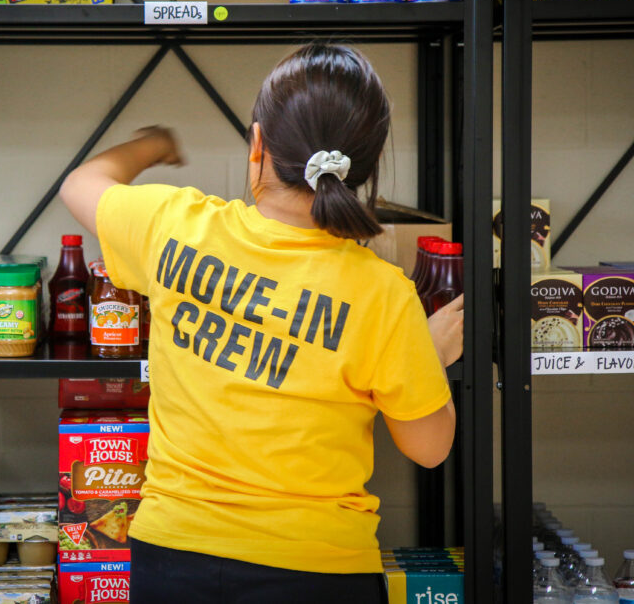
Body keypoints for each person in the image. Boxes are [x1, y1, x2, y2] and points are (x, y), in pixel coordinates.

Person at [60, 43, 463, 604]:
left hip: (172, 560)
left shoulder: (173, 226)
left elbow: (80, 183)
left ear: (257, 145)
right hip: (318, 572)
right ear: (367, 169)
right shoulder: (383, 294)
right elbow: (429, 448)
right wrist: (430, 357)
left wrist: (149, 145)